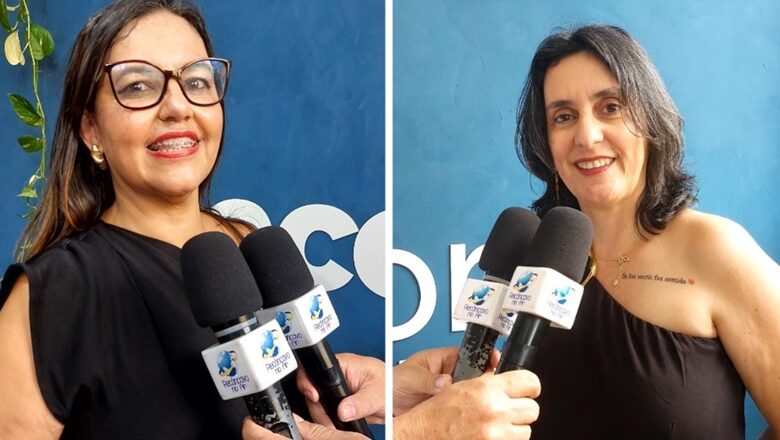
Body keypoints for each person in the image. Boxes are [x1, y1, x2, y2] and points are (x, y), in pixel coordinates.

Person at [0, 1, 367, 438]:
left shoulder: (250, 248)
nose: (178, 107)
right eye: (138, 86)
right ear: (90, 130)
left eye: (196, 81)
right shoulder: (50, 296)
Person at [512, 24, 780, 439]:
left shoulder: (716, 249)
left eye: (610, 107)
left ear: (649, 119)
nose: (587, 135)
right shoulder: (541, 256)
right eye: (563, 117)